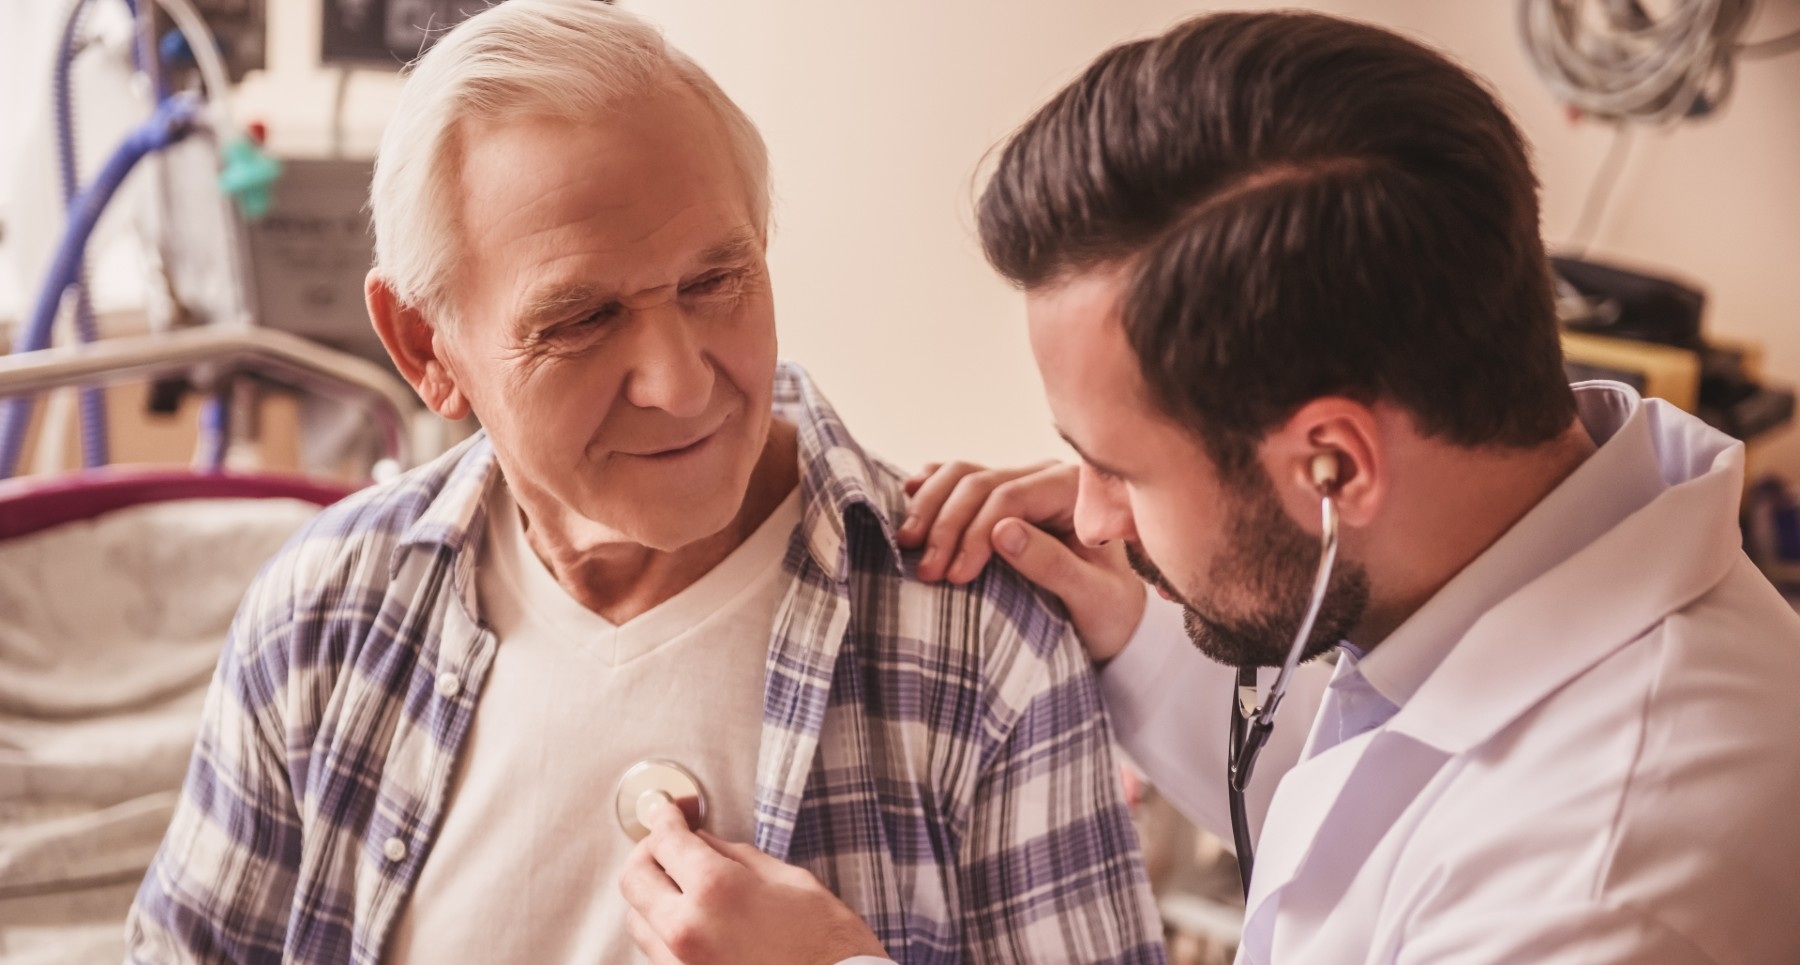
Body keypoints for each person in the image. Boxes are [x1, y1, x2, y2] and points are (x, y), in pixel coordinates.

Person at [619, 10, 1800, 965]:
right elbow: (1373, 802)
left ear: (1334, 464)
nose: (1089, 514)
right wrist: (1133, 627)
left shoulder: (1601, 890)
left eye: (1120, 468)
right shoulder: (1492, 557)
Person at [123, 3, 1167, 962]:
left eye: (716, 280)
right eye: (581, 318)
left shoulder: (979, 642)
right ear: (424, 345)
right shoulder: (322, 616)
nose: (680, 384)